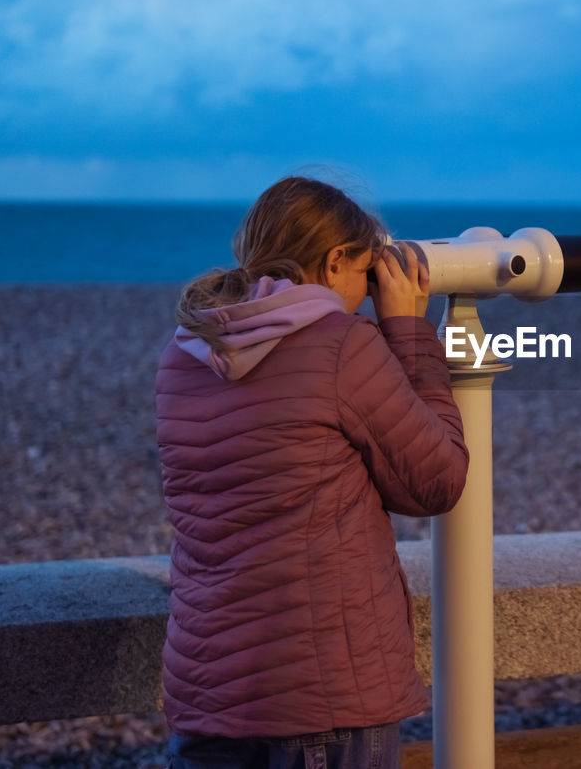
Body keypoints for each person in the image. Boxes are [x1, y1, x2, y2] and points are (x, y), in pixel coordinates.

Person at [155, 176, 469, 769]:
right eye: (365, 273)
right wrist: (406, 330)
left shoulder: (186, 350)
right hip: (322, 695)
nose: (365, 292)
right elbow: (437, 481)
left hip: (207, 689)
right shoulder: (341, 344)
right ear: (334, 261)